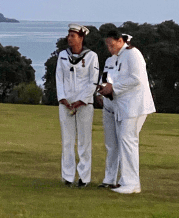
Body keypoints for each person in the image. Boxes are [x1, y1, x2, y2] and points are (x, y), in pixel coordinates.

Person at [97, 30, 156, 194]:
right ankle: (128, 182)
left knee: (128, 141)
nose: (110, 48)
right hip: (123, 107)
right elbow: (115, 78)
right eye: (108, 46)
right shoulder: (118, 58)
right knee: (125, 142)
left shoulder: (133, 54)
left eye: (112, 44)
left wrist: (113, 88)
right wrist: (106, 88)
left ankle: (131, 184)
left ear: (121, 40)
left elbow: (136, 79)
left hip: (135, 106)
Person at [56, 23, 99, 187]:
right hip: (66, 103)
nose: (69, 38)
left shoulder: (91, 56)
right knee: (67, 141)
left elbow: (93, 81)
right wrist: (63, 99)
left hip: (84, 104)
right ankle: (67, 176)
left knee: (84, 141)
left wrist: (81, 100)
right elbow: (59, 78)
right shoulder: (62, 56)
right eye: (69, 35)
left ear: (81, 38)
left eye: (73, 36)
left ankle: (84, 177)